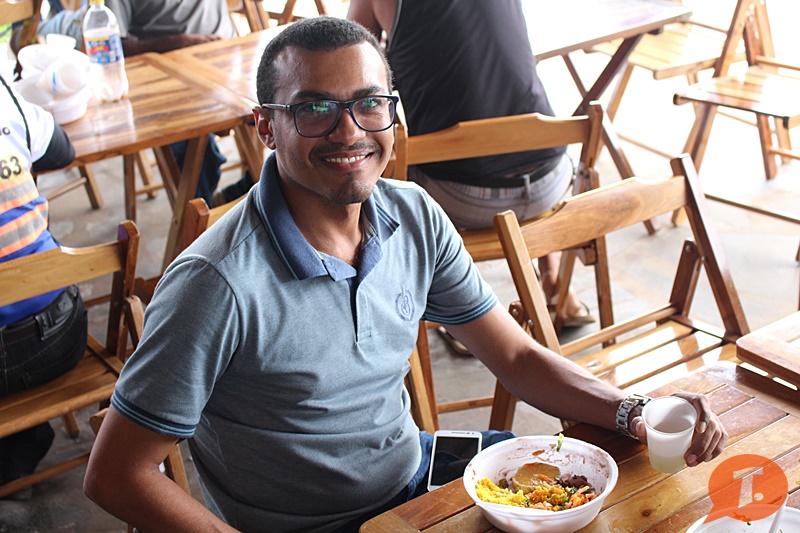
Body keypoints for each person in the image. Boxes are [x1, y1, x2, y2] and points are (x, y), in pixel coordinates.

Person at [83, 17, 727, 533]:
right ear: (266, 127)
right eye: (314, 108)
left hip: (417, 474)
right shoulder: (215, 283)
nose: (349, 132)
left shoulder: (412, 213)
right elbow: (116, 476)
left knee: (626, 499)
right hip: (323, 523)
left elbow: (517, 358)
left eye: (370, 104)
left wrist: (636, 411)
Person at [348, 0, 595, 335]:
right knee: (505, 115)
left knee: (380, 176)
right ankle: (555, 283)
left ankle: (459, 311)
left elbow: (351, 58)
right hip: (550, 180)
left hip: (464, 194)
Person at [38, 0, 254, 206]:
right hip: (170, 75)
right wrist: (174, 44)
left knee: (271, 113)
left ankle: (250, 189)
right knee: (198, 155)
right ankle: (201, 217)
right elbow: (112, 46)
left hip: (230, 60)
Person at [0, 74, 86, 500]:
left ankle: (15, 456)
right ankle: (18, 454)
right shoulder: (6, 101)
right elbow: (63, 150)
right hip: (57, 338)